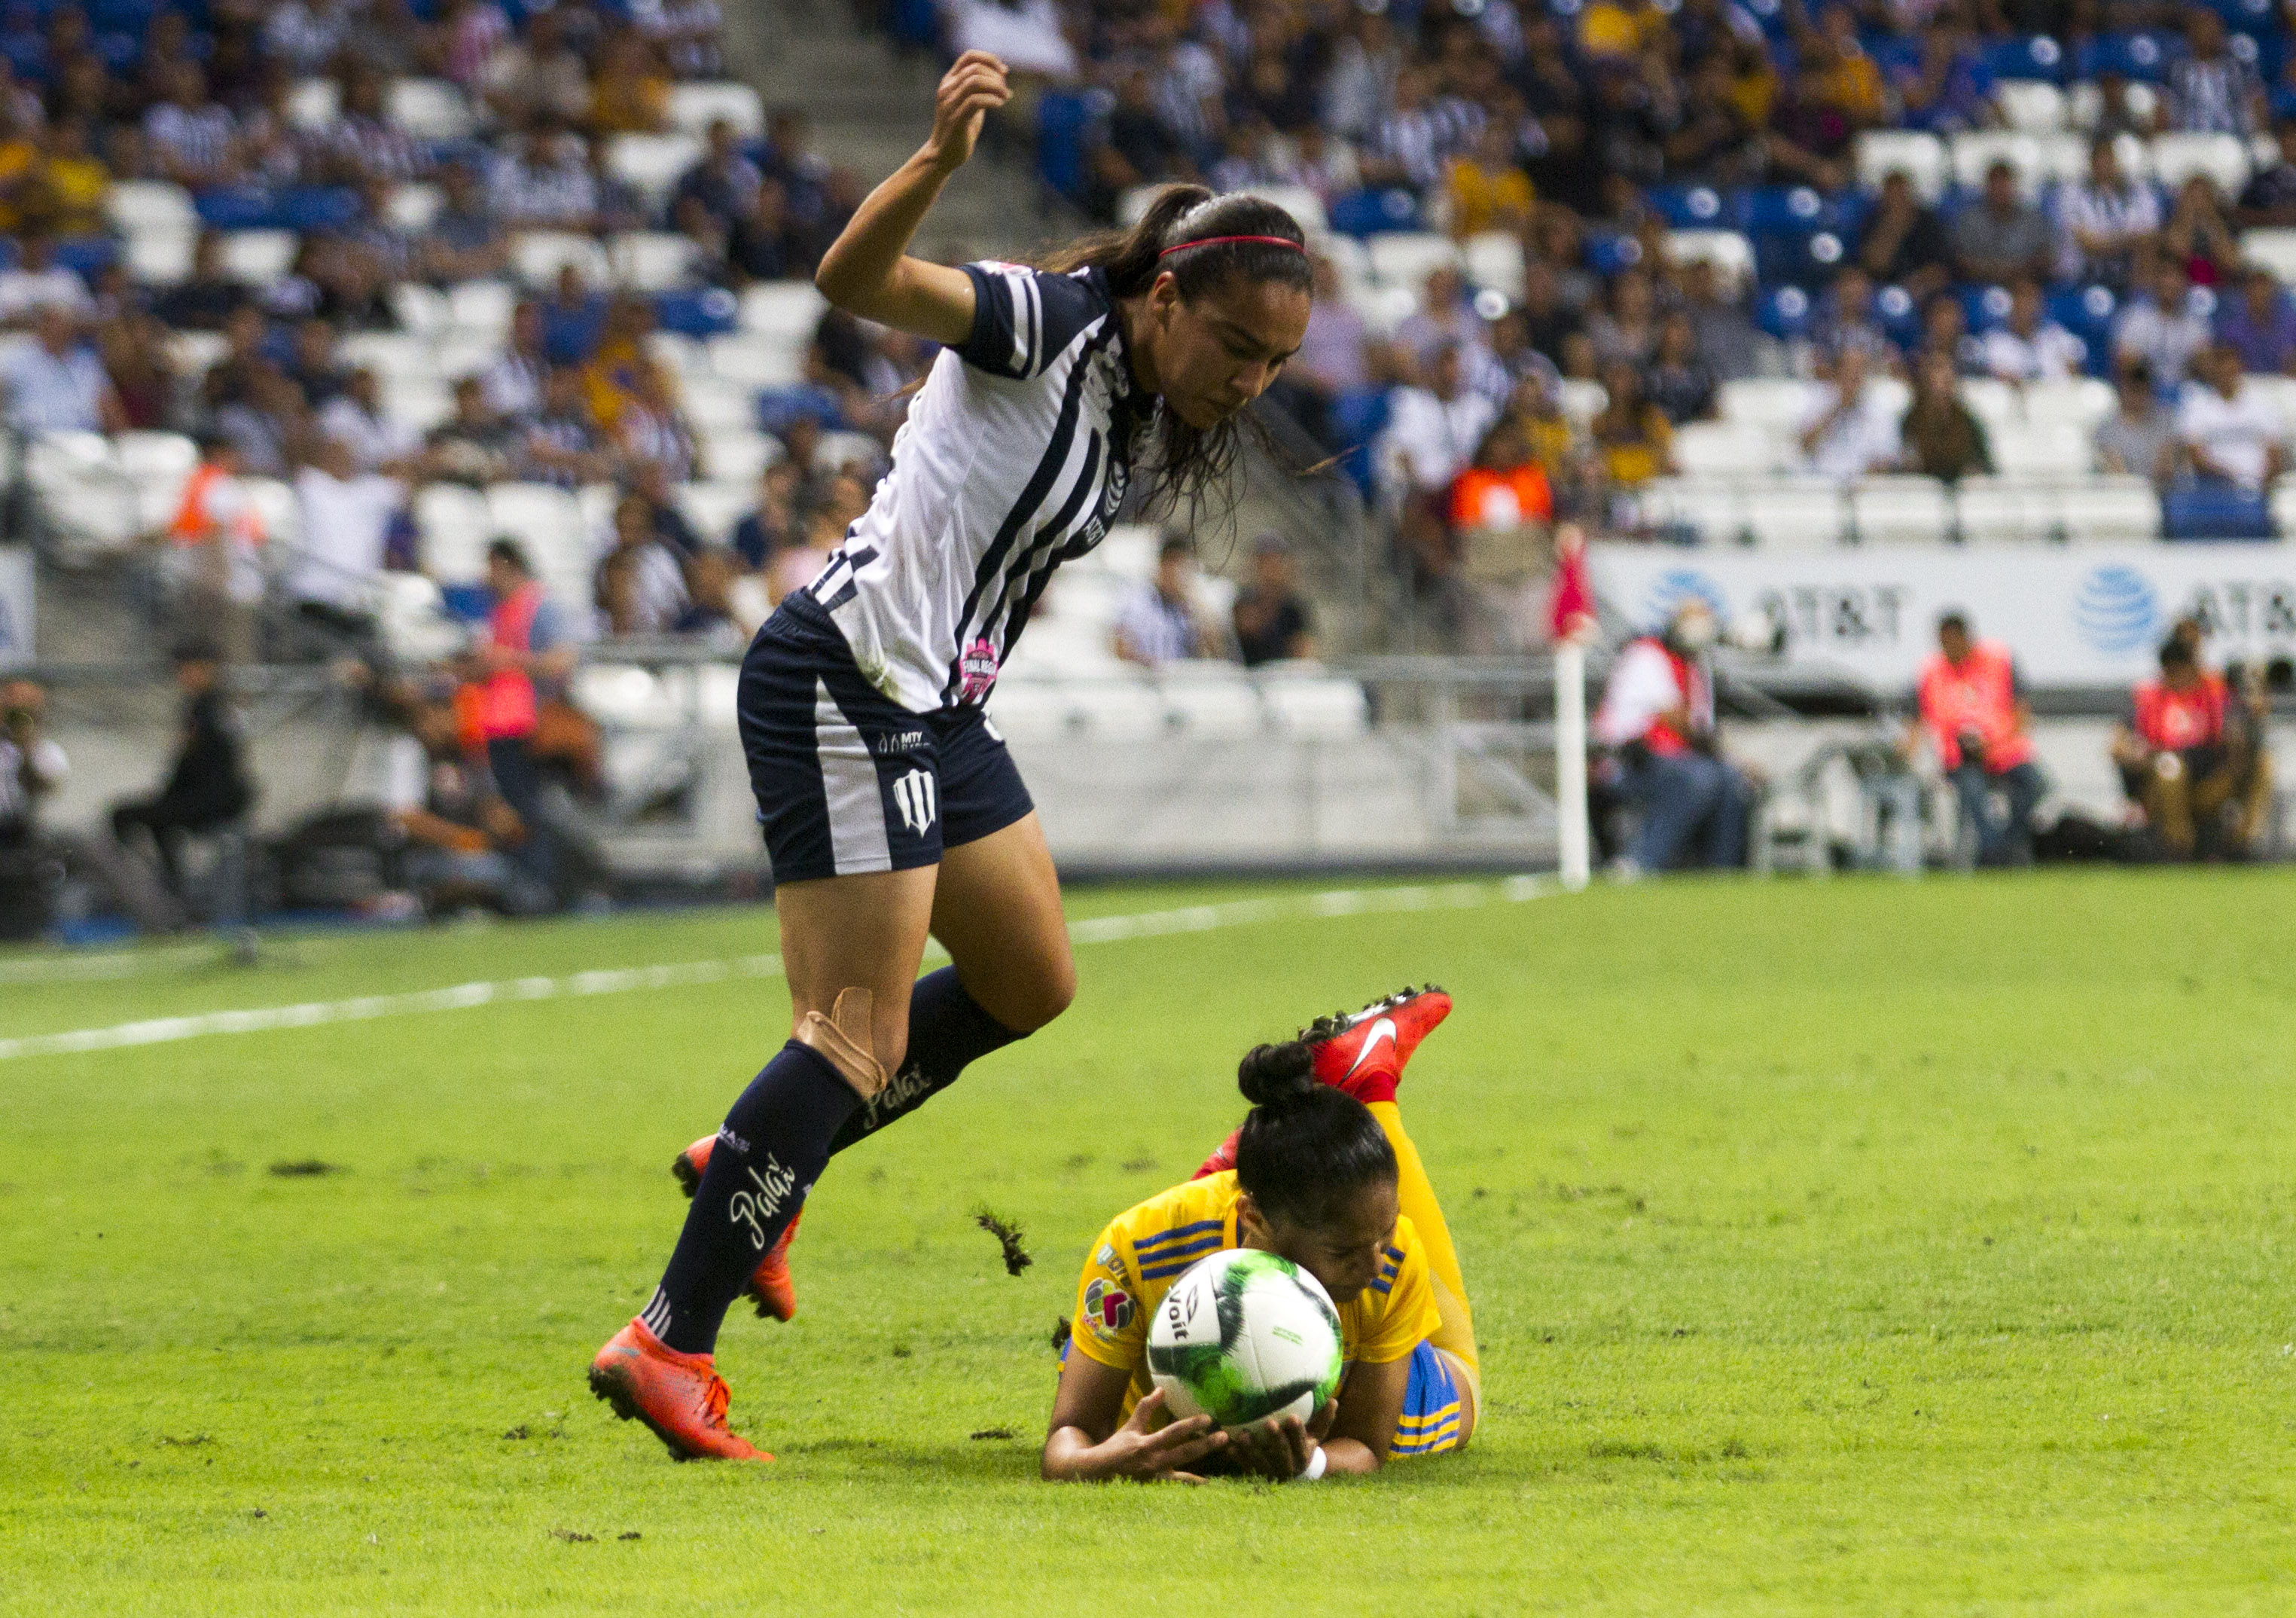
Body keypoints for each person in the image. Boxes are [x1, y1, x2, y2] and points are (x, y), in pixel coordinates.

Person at [587, 53, 1316, 1462]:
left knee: (1026, 976)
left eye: (1275, 363)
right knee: (848, 1037)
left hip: (935, 711)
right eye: (1236, 348)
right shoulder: (1042, 324)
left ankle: (754, 1161)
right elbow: (857, 283)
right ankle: (669, 1338)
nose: (1250, 381)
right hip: (848, 682)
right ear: (1164, 297)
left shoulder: (1130, 401)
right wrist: (927, 165)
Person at [1044, 988, 1479, 1480]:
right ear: (1253, 1217)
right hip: (1162, 1322)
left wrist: (1309, 1464)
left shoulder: (1391, 1255)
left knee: (1464, 1387)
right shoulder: (1135, 1245)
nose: (1375, 1266)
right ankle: (1352, 1085)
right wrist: (1106, 1462)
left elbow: (1362, 1447)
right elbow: (1066, 1441)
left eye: (1383, 1238)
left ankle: (1357, 1090)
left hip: (1356, 1370)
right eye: (1343, 1252)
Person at [1593, 600, 1752, 875]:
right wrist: (1717, 750)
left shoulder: (1695, 668)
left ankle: (1723, 871)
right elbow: (1678, 720)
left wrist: (1735, 761)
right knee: (1698, 777)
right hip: (1628, 763)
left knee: (1731, 780)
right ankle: (1639, 862)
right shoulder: (1646, 655)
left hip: (1675, 763)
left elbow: (1702, 729)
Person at [378, 688, 550, 917]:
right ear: (425, 716)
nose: (451, 722)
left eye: (454, 714)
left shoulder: (467, 755)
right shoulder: (408, 751)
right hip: (421, 856)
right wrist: (460, 840)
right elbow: (406, 817)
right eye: (443, 715)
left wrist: (506, 822)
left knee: (533, 894)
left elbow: (491, 806)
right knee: (489, 871)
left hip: (475, 855)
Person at [109, 637, 256, 901]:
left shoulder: (209, 709)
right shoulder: (213, 706)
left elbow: (201, 764)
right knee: (157, 821)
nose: (183, 675)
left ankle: (164, 894)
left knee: (128, 816)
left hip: (213, 799)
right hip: (217, 796)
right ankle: (172, 888)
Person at [473, 539, 578, 892]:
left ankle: (544, 886)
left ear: (507, 564)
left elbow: (563, 660)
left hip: (528, 723)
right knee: (511, 811)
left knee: (533, 809)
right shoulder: (501, 609)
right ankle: (525, 885)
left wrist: (508, 661)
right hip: (500, 722)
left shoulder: (539, 606)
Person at [1913, 612, 2046, 867]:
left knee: (2037, 785)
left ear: (1967, 638)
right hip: (1961, 760)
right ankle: (1992, 856)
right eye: (1943, 643)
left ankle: (2007, 844)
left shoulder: (1999, 660)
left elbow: (2022, 712)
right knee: (1972, 792)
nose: (1948, 649)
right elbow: (1916, 717)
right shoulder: (1932, 671)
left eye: (1952, 642)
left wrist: (1994, 741)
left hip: (2003, 752)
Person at [2108, 636, 2260, 859]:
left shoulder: (2215, 692)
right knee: (2170, 767)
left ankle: (2242, 845)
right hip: (2163, 784)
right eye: (2171, 670)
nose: (2177, 676)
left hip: (2210, 778)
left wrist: (2242, 737)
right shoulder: (2150, 697)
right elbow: (2117, 744)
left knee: (2264, 764)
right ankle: (2178, 847)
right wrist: (2132, 754)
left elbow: (2242, 732)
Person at [2178, 341, 2287, 491]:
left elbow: (2274, 455)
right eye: (2220, 367)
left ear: (2240, 368)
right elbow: (2196, 457)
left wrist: (2260, 487)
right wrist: (2231, 479)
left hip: (2258, 488)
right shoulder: (2197, 406)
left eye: (2230, 367)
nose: (2226, 373)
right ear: (2213, 370)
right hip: (2214, 489)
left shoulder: (2263, 404)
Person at [2057, 139, 2160, 290]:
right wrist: (2130, 241)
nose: (2104, 166)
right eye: (2100, 160)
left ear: (2117, 162)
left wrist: (2106, 242)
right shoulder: (2072, 192)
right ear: (2091, 163)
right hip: (2082, 277)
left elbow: (2150, 236)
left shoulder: (2139, 191)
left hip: (2129, 276)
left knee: (2150, 257)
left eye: (2109, 160)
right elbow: (2088, 244)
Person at [1113, 531, 1219, 666]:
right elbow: (1121, 649)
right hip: (1144, 678)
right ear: (1162, 564)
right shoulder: (1135, 599)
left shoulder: (1189, 604)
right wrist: (1155, 667)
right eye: (1172, 563)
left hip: (1183, 679)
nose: (1176, 572)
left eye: (1182, 565)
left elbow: (1215, 652)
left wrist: (1194, 603)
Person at [1797, 347, 1901, 481]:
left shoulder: (1880, 408)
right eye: (1848, 372)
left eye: (1858, 373)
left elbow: (1888, 457)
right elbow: (1804, 447)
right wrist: (1837, 408)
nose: (1853, 379)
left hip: (1865, 484)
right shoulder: (1815, 399)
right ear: (1836, 374)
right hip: (1819, 482)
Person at [1951, 160, 2056, 288]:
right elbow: (1959, 258)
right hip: (1978, 286)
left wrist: (2017, 271)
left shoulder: (2033, 219)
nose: (2000, 190)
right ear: (1986, 187)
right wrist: (1993, 271)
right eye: (1995, 184)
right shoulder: (1969, 219)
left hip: (2024, 286)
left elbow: (2048, 256)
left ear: (2014, 186)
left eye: (2005, 184)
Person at [1899, 350, 1993, 482]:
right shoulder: (1911, 420)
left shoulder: (1967, 420)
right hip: (1921, 493)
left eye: (1946, 378)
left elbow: (1986, 463)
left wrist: (1973, 470)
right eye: (1936, 375)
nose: (1941, 385)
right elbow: (1905, 463)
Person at [1976, 278, 2087, 384]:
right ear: (2011, 300)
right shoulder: (1994, 339)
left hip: (2054, 398)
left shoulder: (2056, 334)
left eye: (2031, 298)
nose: (2025, 304)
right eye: (2020, 297)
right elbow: (1990, 376)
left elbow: (2076, 371)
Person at [1230, 533, 1316, 667]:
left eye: (1275, 562)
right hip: (1250, 676)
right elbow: (1246, 632)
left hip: (1283, 676)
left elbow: (1302, 650)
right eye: (1265, 562)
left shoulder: (1293, 608)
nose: (1270, 569)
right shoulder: (1245, 603)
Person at [2095, 362, 2179, 485]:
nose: (2138, 396)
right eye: (2133, 390)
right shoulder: (2107, 428)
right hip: (2126, 494)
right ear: (2123, 389)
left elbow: (2166, 467)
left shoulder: (2166, 421)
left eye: (2142, 390)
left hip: (2162, 491)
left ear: (2150, 390)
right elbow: (2116, 472)